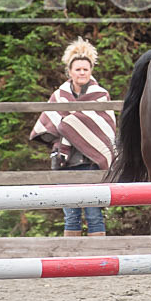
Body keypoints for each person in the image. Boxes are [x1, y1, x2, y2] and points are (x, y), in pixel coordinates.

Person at [30, 37, 117, 236]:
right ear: (70, 72)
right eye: (77, 69)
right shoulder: (59, 96)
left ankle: (99, 260)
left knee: (94, 212)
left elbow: (107, 128)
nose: (82, 73)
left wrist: (70, 123)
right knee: (70, 213)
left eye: (85, 69)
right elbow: (48, 125)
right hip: (65, 161)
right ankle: (72, 259)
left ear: (91, 71)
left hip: (91, 161)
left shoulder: (101, 95)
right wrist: (72, 125)